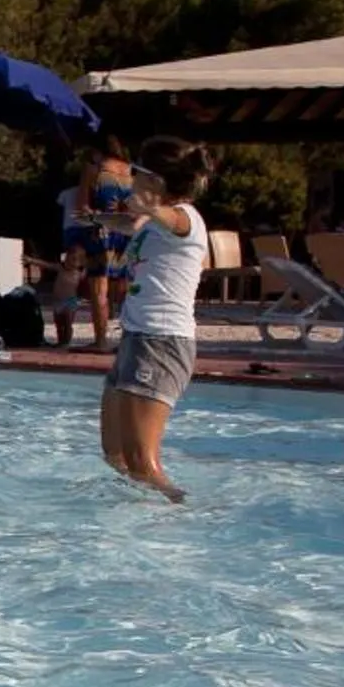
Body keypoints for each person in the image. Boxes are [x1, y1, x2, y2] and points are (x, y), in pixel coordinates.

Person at [102, 138, 218, 502]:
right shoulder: (152, 222)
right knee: (115, 454)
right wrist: (98, 218)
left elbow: (173, 221)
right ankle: (134, 523)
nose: (129, 177)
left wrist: (152, 208)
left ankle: (181, 513)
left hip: (162, 344)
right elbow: (131, 224)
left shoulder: (185, 218)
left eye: (135, 171)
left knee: (142, 461)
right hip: (137, 338)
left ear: (155, 181)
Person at [74, 136, 136, 349]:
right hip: (126, 232)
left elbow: (82, 207)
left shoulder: (93, 170)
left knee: (99, 289)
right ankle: (128, 340)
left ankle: (101, 341)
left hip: (100, 231)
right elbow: (134, 208)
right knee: (124, 288)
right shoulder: (129, 171)